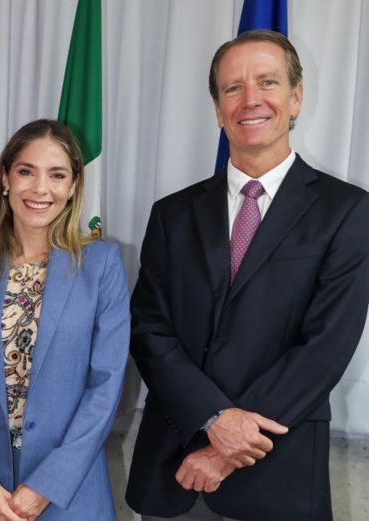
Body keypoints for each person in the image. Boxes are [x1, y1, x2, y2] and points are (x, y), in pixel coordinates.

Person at [126, 29, 369, 521]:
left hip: (279, 471)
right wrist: (213, 418)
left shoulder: (348, 212)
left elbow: (324, 350)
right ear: (218, 109)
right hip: (172, 467)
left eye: (267, 82)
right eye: (233, 88)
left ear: (296, 97)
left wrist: (228, 445)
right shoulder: (172, 214)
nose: (250, 100)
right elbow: (149, 329)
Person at [0, 119, 130, 521]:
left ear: (74, 185)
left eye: (57, 175)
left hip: (71, 496)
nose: (40, 189)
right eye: (27, 171)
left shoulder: (101, 266)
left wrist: (46, 486)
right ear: (5, 178)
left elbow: (106, 387)